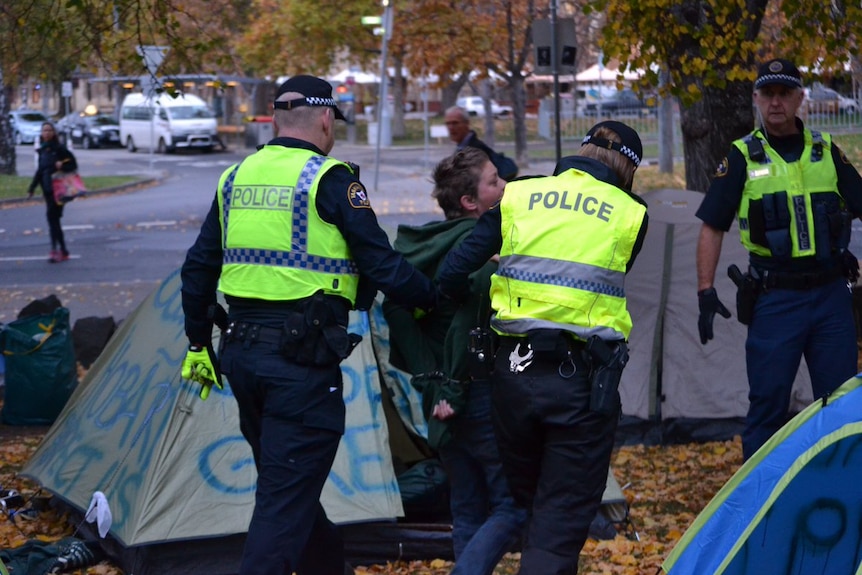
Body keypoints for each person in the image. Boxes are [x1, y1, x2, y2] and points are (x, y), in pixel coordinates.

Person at [179, 74, 437, 575]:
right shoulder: (331, 179)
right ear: (325, 119)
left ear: (275, 119)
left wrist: (196, 342)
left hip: (243, 357)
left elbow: (198, 268)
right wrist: (434, 298)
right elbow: (383, 266)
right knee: (282, 502)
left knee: (289, 489)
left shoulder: (236, 178)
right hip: (300, 365)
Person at [437, 120, 648, 574]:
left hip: (512, 381)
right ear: (628, 169)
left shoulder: (519, 195)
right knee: (558, 526)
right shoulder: (631, 212)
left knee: (534, 510)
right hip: (581, 388)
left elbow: (453, 270)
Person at [695, 58, 862, 461]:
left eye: (784, 93)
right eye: (767, 94)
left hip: (830, 298)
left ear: (800, 98)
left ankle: (839, 496)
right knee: (768, 405)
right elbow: (711, 227)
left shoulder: (825, 151)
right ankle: (760, 505)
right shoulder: (740, 157)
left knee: (842, 403)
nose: (775, 103)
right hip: (775, 300)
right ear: (755, 99)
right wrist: (705, 290)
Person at [382, 147, 526, 575]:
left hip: (443, 396)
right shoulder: (474, 248)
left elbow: (396, 310)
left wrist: (429, 378)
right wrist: (452, 386)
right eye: (494, 181)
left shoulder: (425, 246)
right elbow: (470, 324)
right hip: (475, 391)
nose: (504, 187)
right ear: (470, 202)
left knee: (466, 507)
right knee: (513, 506)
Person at [27, 122, 77, 263]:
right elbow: (40, 171)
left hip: (59, 190)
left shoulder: (59, 149)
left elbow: (73, 164)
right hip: (47, 190)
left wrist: (63, 164)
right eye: (44, 131)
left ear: (54, 133)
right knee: (53, 221)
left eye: (49, 130)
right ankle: (63, 250)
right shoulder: (43, 150)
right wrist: (32, 188)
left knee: (52, 219)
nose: (47, 133)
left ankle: (55, 250)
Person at [444, 105, 518, 181]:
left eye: (455, 123)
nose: (451, 128)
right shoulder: (462, 148)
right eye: (448, 124)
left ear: (467, 123)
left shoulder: (475, 151)